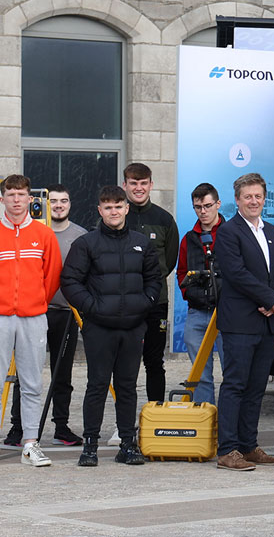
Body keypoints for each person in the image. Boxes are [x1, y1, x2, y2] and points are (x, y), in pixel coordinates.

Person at [60, 185, 160, 467]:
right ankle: (90, 446)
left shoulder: (142, 243)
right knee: (97, 385)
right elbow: (70, 282)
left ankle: (127, 445)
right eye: (108, 207)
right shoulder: (86, 244)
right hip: (99, 328)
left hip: (133, 328)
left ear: (127, 209)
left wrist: (144, 303)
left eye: (118, 206)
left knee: (127, 387)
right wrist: (92, 308)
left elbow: (154, 279)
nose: (113, 212)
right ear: (100, 210)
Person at [214, 173, 274, 471]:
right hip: (240, 322)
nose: (254, 201)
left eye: (258, 196)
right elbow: (236, 273)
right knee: (235, 385)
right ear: (238, 200)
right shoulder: (228, 232)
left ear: (264, 198)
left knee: (257, 387)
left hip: (266, 322)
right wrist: (270, 299)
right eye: (248, 197)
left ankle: (248, 446)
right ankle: (227, 450)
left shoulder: (271, 230)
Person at [4, 184, 85, 448]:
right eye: (54, 201)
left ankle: (55, 429)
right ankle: (18, 429)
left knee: (55, 376)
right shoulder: (24, 230)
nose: (58, 205)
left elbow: (55, 276)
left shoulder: (70, 235)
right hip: (17, 314)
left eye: (64, 201)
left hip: (55, 312)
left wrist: (39, 299)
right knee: (18, 376)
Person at [0, 175, 62, 467]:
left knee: (32, 383)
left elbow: (52, 276)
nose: (16, 199)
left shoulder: (44, 234)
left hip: (33, 317)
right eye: (11, 194)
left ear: (29, 199)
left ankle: (30, 443)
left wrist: (35, 302)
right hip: (0, 317)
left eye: (21, 194)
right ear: (2, 198)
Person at [123, 162, 179, 404]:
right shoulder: (116, 216)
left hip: (156, 302)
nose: (139, 188)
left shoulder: (164, 219)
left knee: (155, 361)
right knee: (125, 362)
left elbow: (170, 260)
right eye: (133, 183)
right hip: (124, 303)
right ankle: (125, 419)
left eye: (143, 183)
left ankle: (156, 412)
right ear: (124, 185)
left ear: (151, 185)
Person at [175, 182, 225, 405]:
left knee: (231, 370)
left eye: (207, 206)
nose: (203, 211)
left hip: (226, 312)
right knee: (201, 373)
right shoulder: (188, 238)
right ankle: (206, 415)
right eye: (198, 207)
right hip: (197, 312)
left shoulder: (232, 233)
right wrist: (189, 293)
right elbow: (181, 272)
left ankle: (229, 420)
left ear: (218, 204)